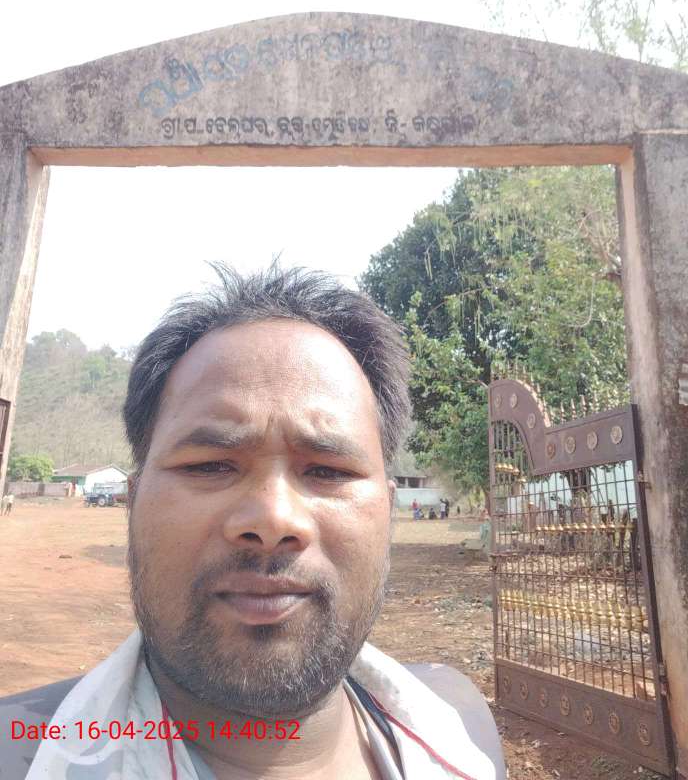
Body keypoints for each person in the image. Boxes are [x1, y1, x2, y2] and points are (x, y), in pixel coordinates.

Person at [0, 265, 505, 780]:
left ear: (388, 512)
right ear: (133, 503)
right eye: (209, 466)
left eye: (328, 471)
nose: (272, 518)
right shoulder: (17, 755)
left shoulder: (463, 730)